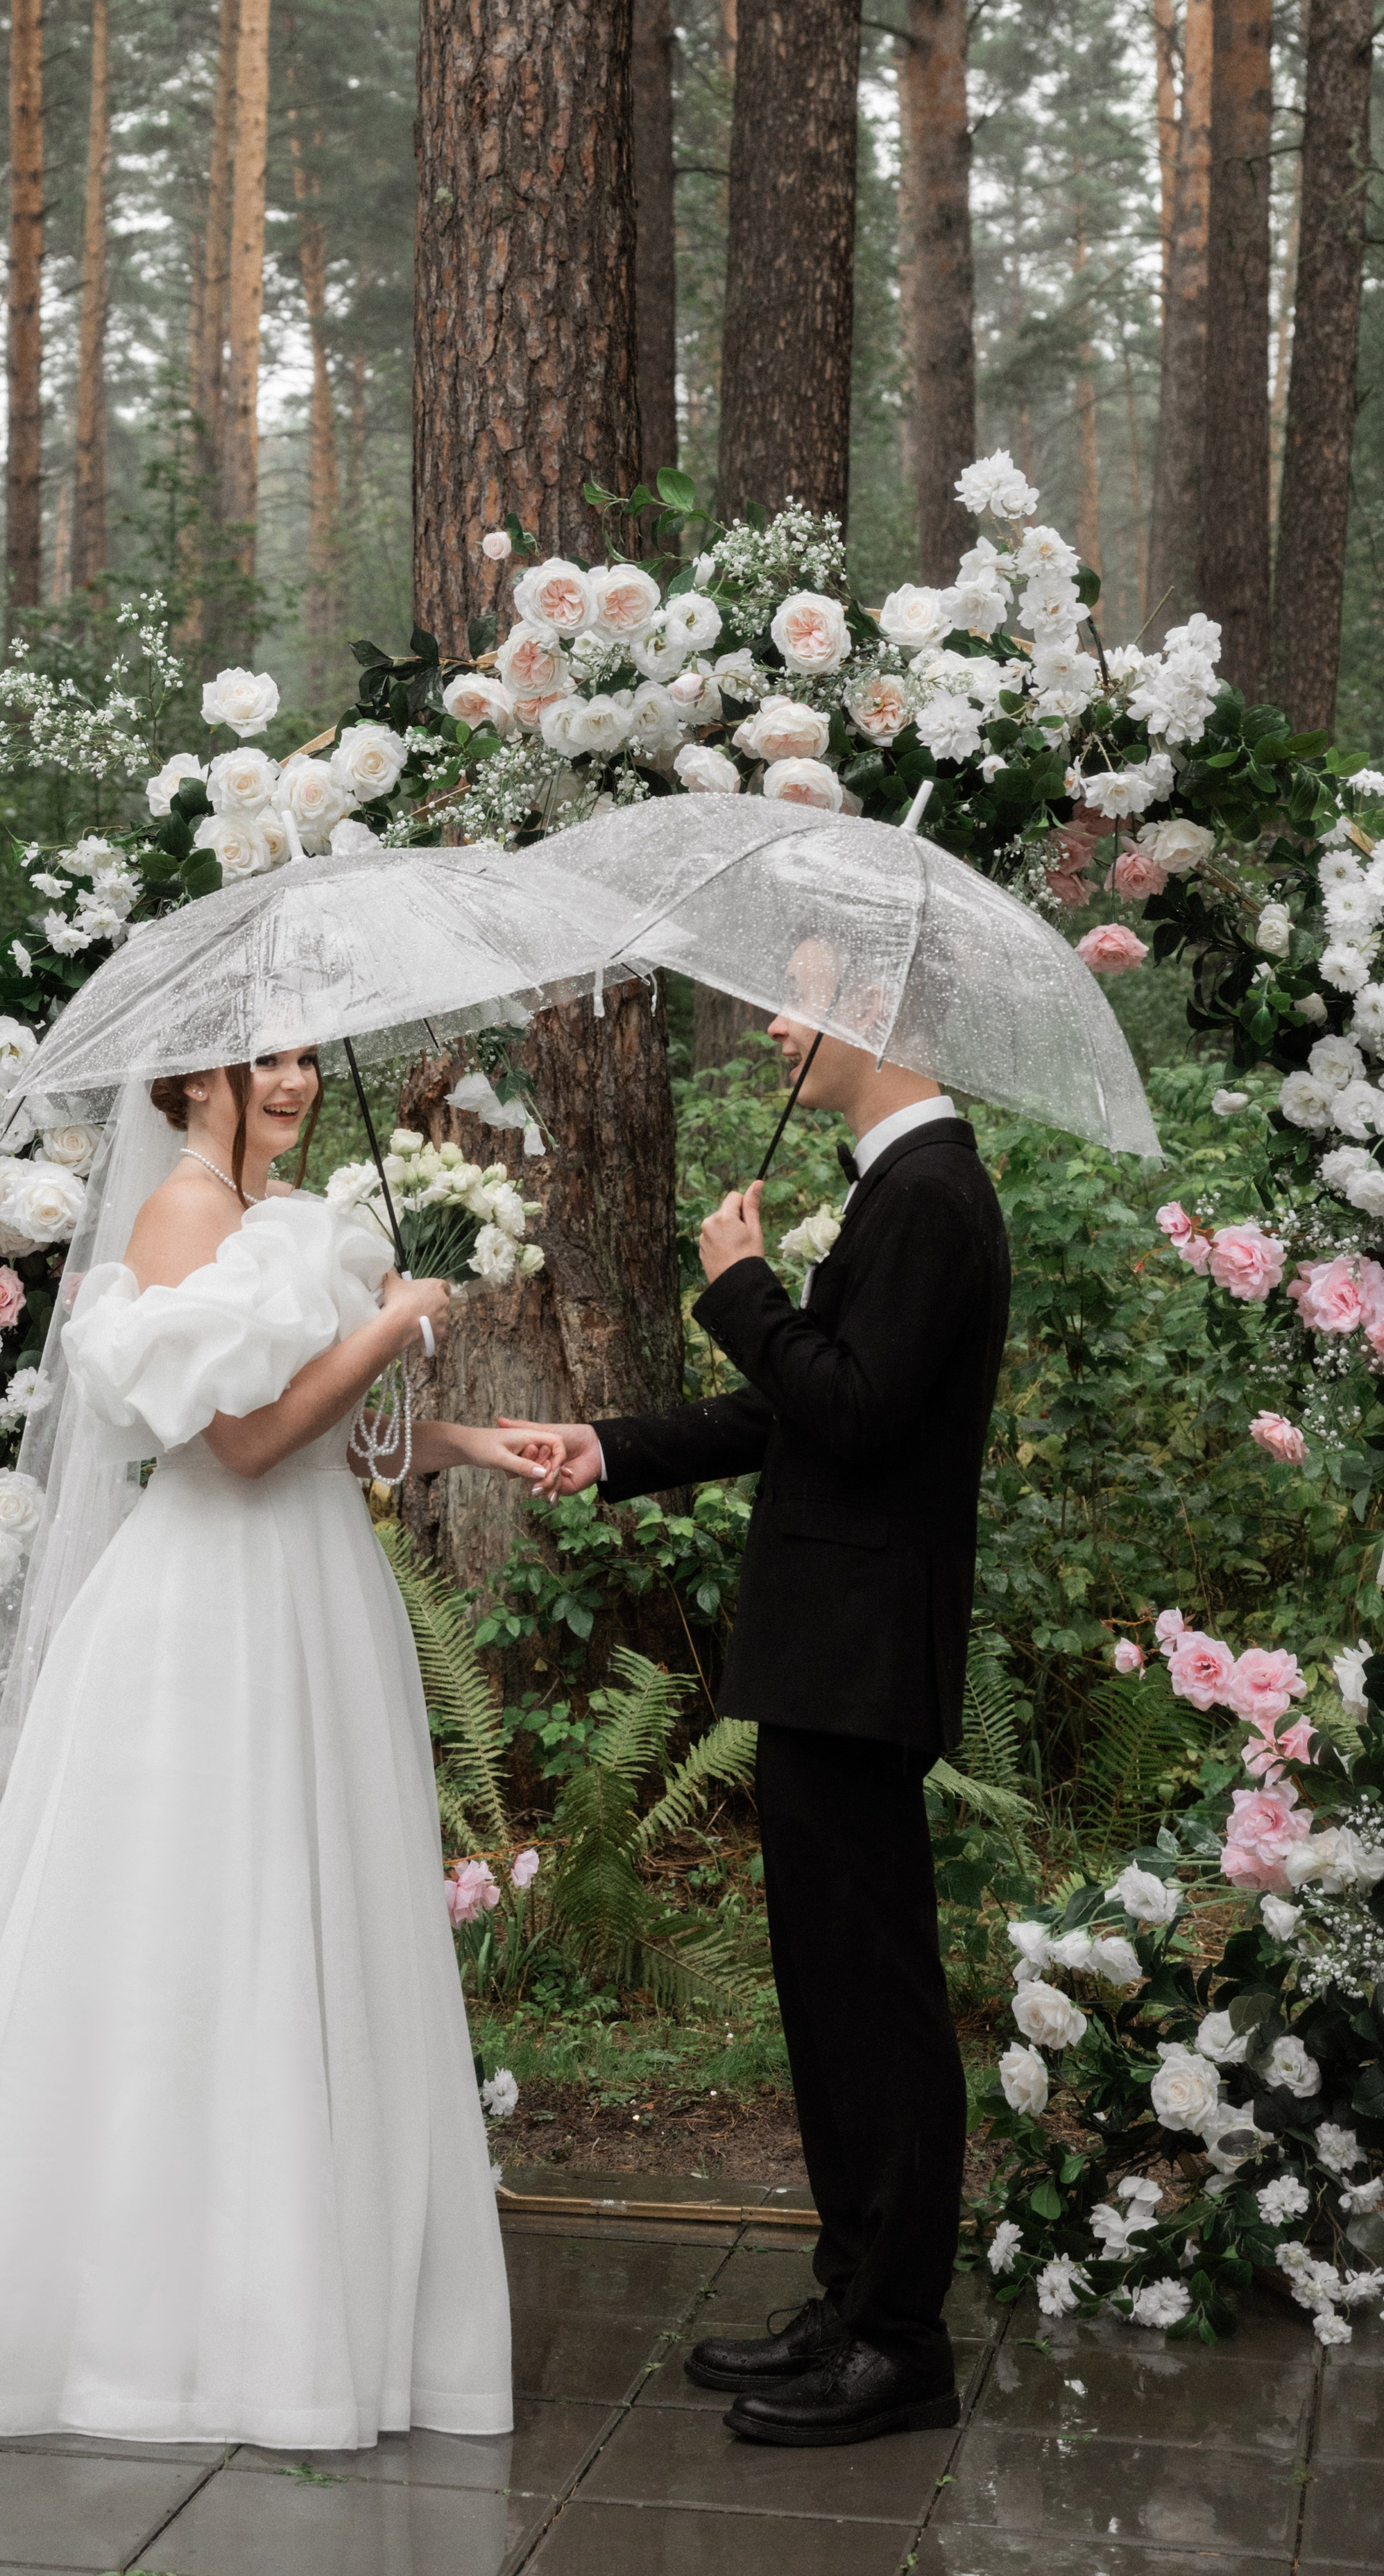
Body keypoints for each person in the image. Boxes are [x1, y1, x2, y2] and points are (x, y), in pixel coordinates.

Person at [0, 1050, 560, 2449]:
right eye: (265, 1061)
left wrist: (469, 1441)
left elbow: (332, 1442)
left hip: (313, 1595)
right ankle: (151, 2322)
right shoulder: (186, 1216)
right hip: (215, 1613)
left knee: (307, 1926)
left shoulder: (288, 1214)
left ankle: (315, 2291)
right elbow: (246, 1443)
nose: (296, 1082)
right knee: (191, 1931)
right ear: (196, 1079)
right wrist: (400, 1322)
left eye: (310, 1058)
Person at [509, 1009, 1010, 2449]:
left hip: (855, 1664)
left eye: (802, 994)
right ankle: (850, 2299)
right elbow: (790, 1416)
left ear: (885, 1006)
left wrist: (737, 1286)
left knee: (875, 2001)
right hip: (822, 1661)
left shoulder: (928, 1195)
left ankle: (898, 2344)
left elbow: (845, 1412)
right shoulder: (893, 1185)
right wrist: (605, 1449)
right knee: (825, 1993)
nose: (780, 1023)